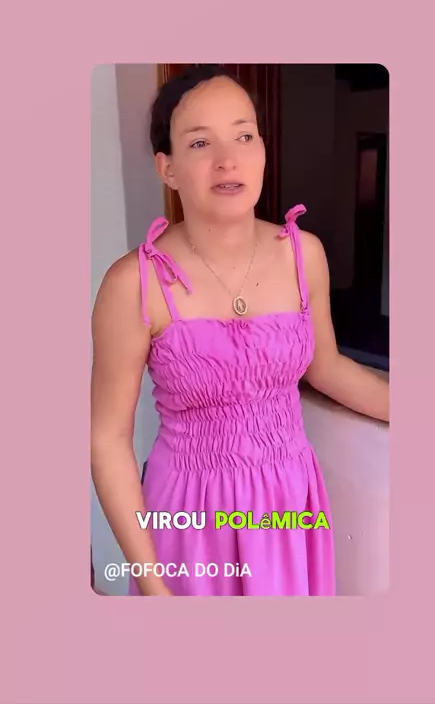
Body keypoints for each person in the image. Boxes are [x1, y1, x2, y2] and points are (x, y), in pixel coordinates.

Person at [91, 64, 389, 597]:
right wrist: (153, 586)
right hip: (188, 517)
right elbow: (108, 440)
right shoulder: (133, 283)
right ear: (167, 168)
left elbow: (327, 367)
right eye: (200, 142)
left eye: (244, 135)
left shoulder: (303, 255)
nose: (228, 159)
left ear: (263, 150)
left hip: (288, 505)